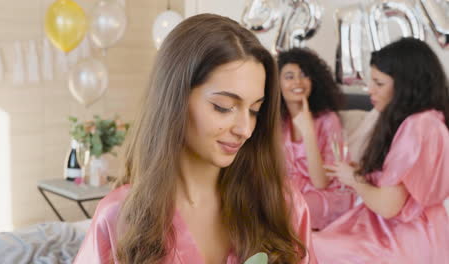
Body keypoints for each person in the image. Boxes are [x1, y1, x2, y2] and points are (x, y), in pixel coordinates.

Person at [74, 14, 316, 264]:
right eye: (223, 107)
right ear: (175, 100)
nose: (245, 129)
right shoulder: (118, 216)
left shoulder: (284, 205)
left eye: (254, 110)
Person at [315, 37, 449, 263]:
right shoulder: (431, 121)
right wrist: (371, 175)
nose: (370, 90)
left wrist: (354, 179)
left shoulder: (417, 126)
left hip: (403, 239)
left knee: (308, 247)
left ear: (406, 84)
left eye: (379, 83)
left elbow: (388, 206)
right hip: (426, 232)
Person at [278, 48, 356, 230]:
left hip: (326, 194)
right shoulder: (278, 122)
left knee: (287, 211)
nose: (297, 81)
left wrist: (308, 132)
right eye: (289, 76)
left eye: (304, 75)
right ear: (277, 84)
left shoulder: (328, 120)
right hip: (292, 190)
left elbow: (321, 182)